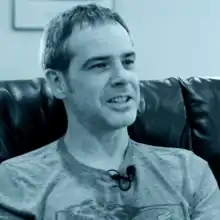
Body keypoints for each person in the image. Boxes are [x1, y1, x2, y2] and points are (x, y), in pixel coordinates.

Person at [0, 3, 220, 220]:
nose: (122, 77)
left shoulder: (189, 172)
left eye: (128, 61)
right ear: (58, 82)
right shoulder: (16, 181)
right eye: (99, 65)